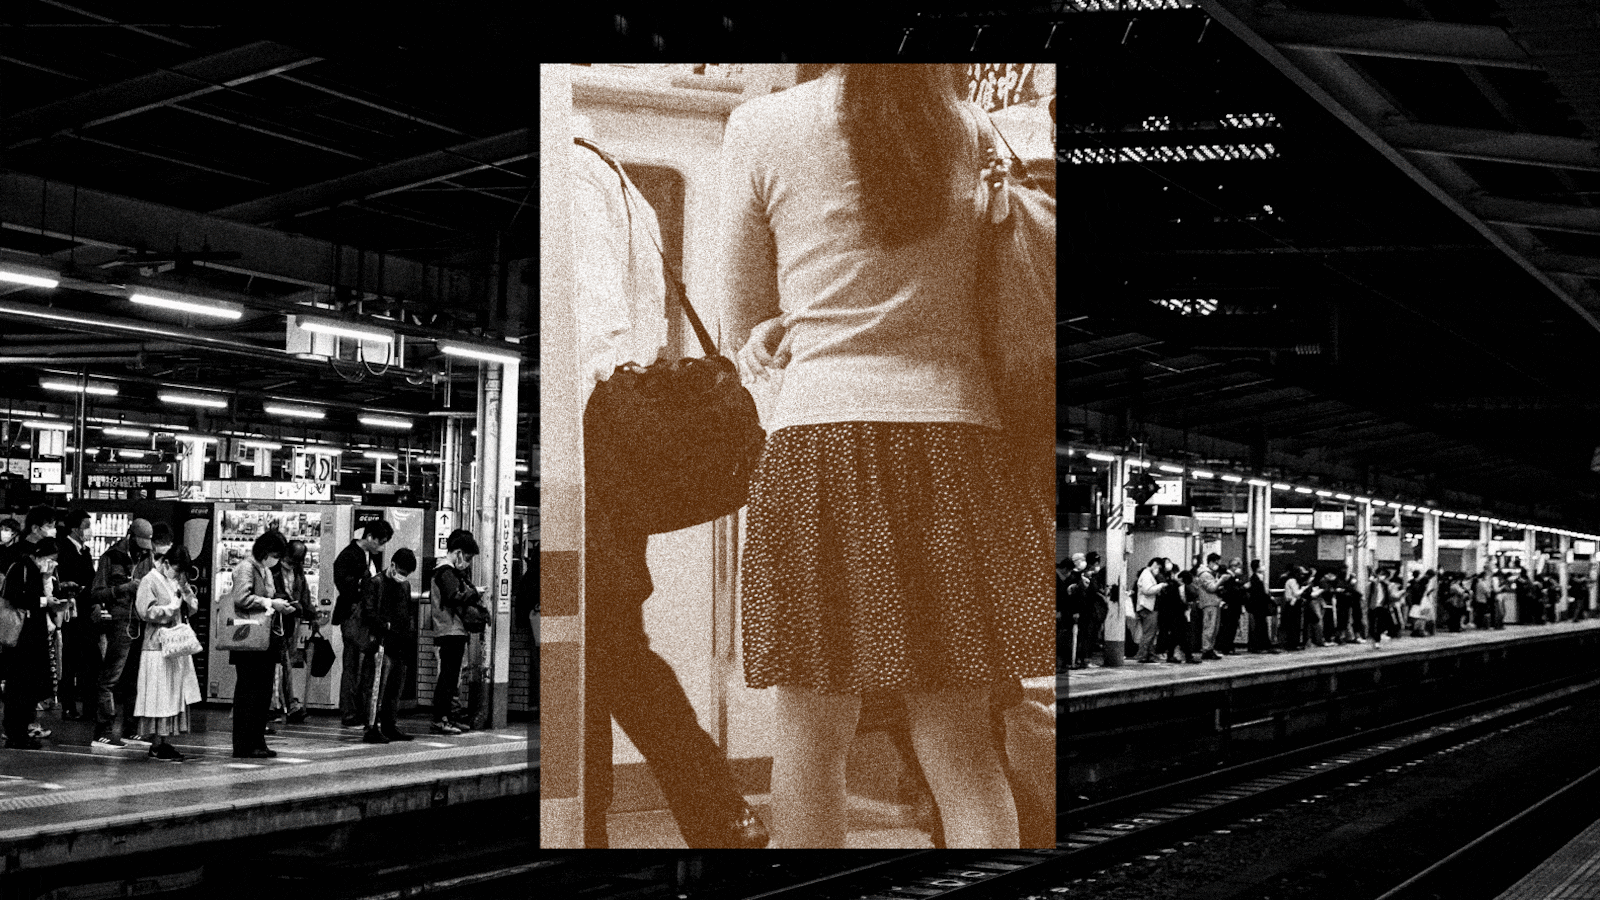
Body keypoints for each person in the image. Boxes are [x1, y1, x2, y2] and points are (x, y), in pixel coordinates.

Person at [722, 64, 1050, 848]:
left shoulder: (761, 125)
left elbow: (744, 314)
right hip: (958, 447)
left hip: (819, 448)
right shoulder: (968, 126)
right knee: (962, 747)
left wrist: (789, 328)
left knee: (810, 736)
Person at [574, 112, 772, 851]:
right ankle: (716, 814)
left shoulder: (576, 175)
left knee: (601, 653)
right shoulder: (621, 180)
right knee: (615, 653)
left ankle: (682, 816)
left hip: (589, 461)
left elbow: (588, 340)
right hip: (613, 465)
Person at [224, 531, 296, 759]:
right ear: (265, 551)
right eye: (275, 554)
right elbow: (241, 598)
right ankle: (244, 744)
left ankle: (257, 741)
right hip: (247, 640)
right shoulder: (246, 568)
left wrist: (279, 604)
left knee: (263, 693)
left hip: (263, 640)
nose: (276, 560)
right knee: (249, 693)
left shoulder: (264, 569)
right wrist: (270, 602)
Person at [87, 517, 154, 749]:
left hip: (140, 621)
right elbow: (96, 593)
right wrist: (123, 588)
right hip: (119, 622)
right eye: (140, 544)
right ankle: (103, 731)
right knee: (111, 677)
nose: (142, 550)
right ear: (130, 536)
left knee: (135, 678)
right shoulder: (111, 556)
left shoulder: (147, 557)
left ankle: (131, 728)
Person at [132, 546, 201, 761]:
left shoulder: (178, 581)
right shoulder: (149, 580)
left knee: (172, 694)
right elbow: (145, 611)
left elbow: (193, 607)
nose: (178, 575)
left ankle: (164, 741)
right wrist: (171, 608)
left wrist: (185, 593)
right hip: (156, 646)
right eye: (176, 570)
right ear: (166, 563)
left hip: (175, 645)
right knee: (158, 695)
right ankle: (156, 743)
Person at [2, 538, 68, 749]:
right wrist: (43, 601)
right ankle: (15, 730)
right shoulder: (20, 568)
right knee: (18, 684)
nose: (52, 564)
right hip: (21, 635)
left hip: (33, 634)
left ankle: (23, 727)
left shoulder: (41, 573)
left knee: (27, 684)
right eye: (50, 559)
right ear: (40, 555)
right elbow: (14, 596)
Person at [334, 520, 392, 727]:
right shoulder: (348, 555)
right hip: (353, 617)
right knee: (352, 665)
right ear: (369, 537)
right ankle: (349, 712)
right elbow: (342, 582)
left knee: (363, 664)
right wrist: (361, 584)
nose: (381, 546)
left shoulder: (368, 556)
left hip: (364, 617)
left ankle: (360, 709)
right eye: (380, 541)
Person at [363, 548, 418, 744]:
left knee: (394, 688)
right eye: (401, 571)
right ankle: (371, 727)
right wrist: (384, 625)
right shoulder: (375, 582)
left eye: (406, 574)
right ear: (392, 565)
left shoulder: (405, 586)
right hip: (381, 642)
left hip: (399, 643)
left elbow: (407, 613)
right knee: (377, 687)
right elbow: (368, 612)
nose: (402, 577)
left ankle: (389, 725)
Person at [430, 529, 483, 736]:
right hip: (449, 630)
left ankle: (447, 718)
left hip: (452, 630)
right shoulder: (445, 571)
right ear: (459, 552)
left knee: (451, 678)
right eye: (467, 558)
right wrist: (473, 593)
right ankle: (440, 719)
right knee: (448, 678)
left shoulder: (447, 571)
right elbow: (454, 597)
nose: (468, 563)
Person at [55, 510, 95, 723]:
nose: (89, 529)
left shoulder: (85, 551)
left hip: (84, 613)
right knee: (69, 661)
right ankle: (68, 705)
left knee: (88, 661)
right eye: (86, 525)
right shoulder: (64, 550)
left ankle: (87, 706)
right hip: (69, 615)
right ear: (75, 528)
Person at [273, 540, 315, 727]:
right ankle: (289, 705)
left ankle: (283, 704)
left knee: (285, 662)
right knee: (283, 663)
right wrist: (288, 601)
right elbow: (274, 593)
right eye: (290, 559)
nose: (291, 564)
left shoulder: (297, 571)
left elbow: (304, 593)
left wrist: (311, 615)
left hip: (291, 621)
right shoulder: (273, 570)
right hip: (275, 622)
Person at [1195, 554, 1226, 659]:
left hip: (1214, 602)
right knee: (1209, 627)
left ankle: (1210, 648)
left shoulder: (1211, 574)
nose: (1217, 565)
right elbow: (1211, 588)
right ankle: (1206, 649)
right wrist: (1221, 580)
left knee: (1214, 628)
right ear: (1211, 562)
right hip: (1209, 603)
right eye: (1216, 563)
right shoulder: (1205, 574)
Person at [1133, 558, 1162, 663]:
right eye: (1159, 567)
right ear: (1154, 564)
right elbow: (1147, 590)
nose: (1158, 570)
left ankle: (1149, 655)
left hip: (1148, 607)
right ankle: (1142, 655)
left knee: (1150, 633)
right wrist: (1160, 586)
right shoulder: (1146, 575)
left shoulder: (1147, 574)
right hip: (1147, 607)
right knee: (1149, 633)